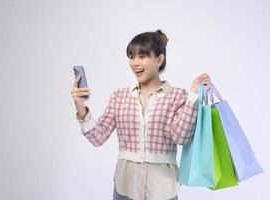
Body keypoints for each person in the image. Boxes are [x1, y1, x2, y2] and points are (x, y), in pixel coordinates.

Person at [71, 29, 211, 200]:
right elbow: (97, 137)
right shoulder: (119, 96)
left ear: (159, 59)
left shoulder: (178, 96)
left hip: (163, 190)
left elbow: (181, 137)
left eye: (142, 56)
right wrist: (80, 105)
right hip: (125, 189)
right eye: (131, 57)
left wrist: (193, 96)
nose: (135, 63)